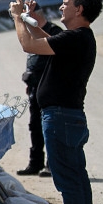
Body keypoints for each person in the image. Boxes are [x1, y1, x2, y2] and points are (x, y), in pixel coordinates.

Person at [8, 0, 102, 204]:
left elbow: (29, 45)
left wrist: (16, 17)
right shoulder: (79, 38)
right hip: (67, 117)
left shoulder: (77, 38)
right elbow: (46, 38)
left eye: (66, 3)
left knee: (68, 181)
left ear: (79, 9)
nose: (61, 7)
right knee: (77, 178)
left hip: (60, 117)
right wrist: (30, 20)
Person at [17, 18, 63, 177]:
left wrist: (18, 18)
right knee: (35, 126)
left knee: (50, 128)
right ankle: (35, 163)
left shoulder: (55, 32)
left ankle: (52, 165)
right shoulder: (33, 32)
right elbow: (33, 61)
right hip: (35, 87)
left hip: (50, 88)